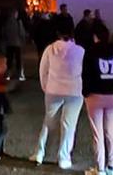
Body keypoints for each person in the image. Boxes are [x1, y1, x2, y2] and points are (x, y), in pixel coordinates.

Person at [30, 23, 85, 170]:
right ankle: (64, 158)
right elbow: (85, 71)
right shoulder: (80, 51)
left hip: (53, 90)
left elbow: (43, 70)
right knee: (69, 125)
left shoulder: (49, 49)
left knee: (49, 121)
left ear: (58, 33)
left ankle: (40, 153)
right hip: (74, 91)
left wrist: (46, 87)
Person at [82, 24, 113, 175]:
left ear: (95, 37)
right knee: (111, 132)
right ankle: (112, 168)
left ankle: (100, 169)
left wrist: (86, 92)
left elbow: (86, 75)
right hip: (111, 97)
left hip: (94, 97)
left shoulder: (91, 52)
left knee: (98, 134)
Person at [2, 8, 27, 81]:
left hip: (9, 44)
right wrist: (23, 40)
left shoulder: (6, 22)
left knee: (9, 60)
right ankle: (19, 75)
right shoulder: (18, 22)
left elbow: (4, 33)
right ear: (15, 14)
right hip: (17, 44)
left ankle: (8, 74)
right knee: (18, 60)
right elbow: (22, 33)